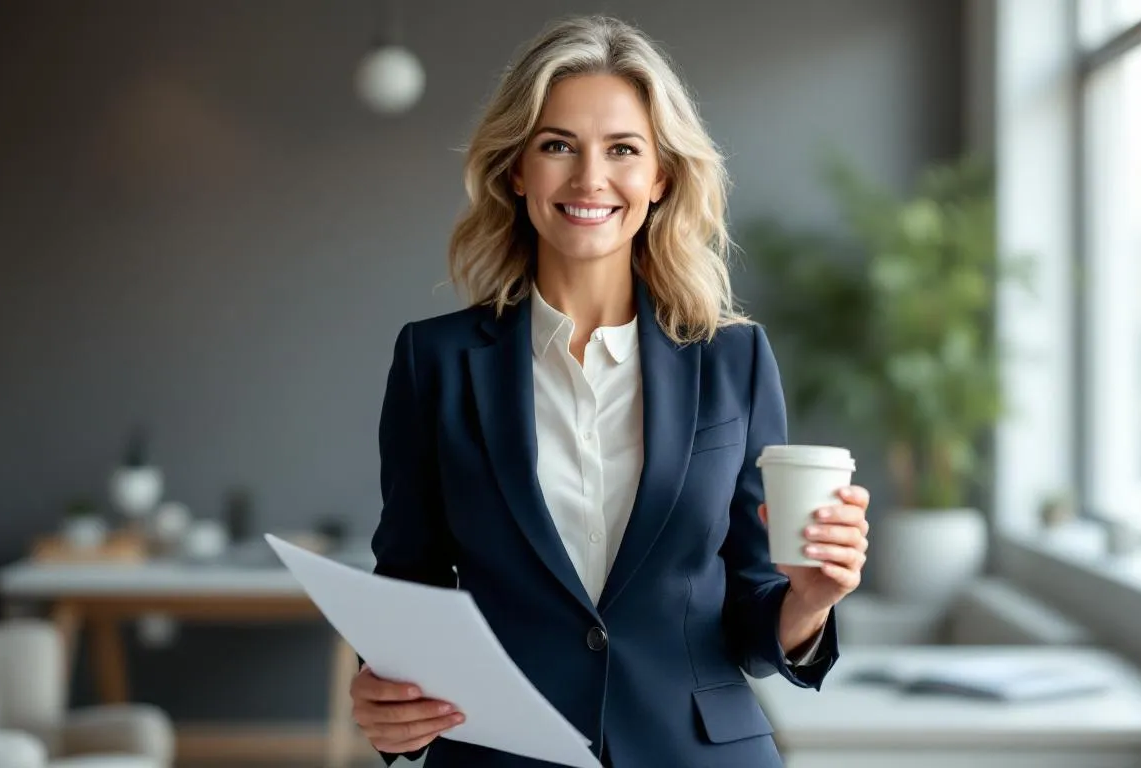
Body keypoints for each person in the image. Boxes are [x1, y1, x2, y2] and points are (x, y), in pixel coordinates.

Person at [351, 15, 870, 768]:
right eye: (558, 145)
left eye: (622, 150)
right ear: (517, 169)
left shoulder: (734, 359)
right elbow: (409, 587)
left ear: (660, 176)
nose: (590, 179)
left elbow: (756, 623)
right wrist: (381, 689)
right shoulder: (435, 360)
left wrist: (813, 599)